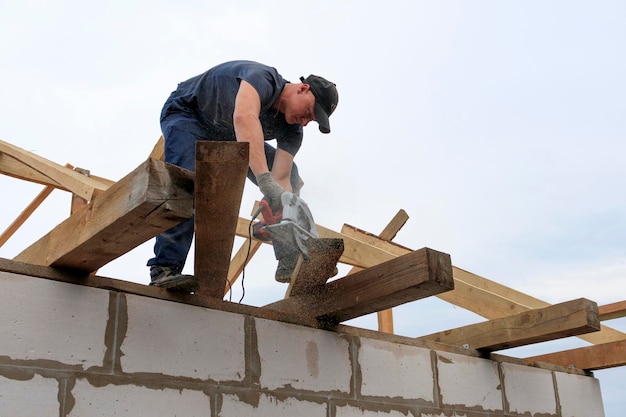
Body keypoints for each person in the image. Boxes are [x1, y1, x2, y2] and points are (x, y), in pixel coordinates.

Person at [147, 60, 338, 292]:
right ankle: (165, 268)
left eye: (312, 120)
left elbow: (282, 179)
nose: (306, 121)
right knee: (186, 180)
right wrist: (265, 180)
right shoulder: (263, 79)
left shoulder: (293, 131)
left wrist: (282, 214)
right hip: (189, 114)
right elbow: (244, 118)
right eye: (308, 112)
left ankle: (287, 260)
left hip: (227, 133)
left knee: (290, 182)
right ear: (303, 89)